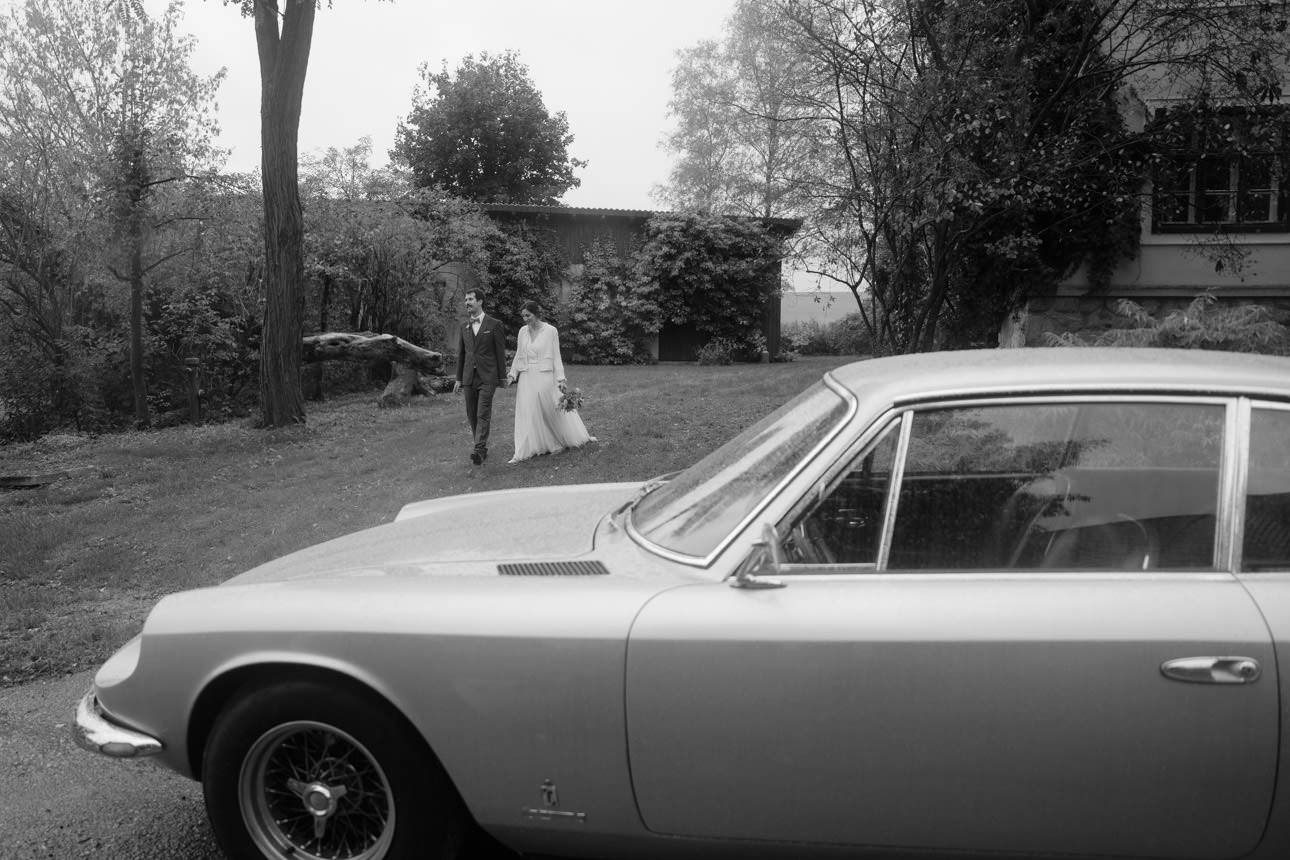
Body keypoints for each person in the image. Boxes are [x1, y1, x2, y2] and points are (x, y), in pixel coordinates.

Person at [505, 300, 595, 464]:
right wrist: (512, 374)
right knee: (528, 411)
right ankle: (524, 450)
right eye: (523, 316)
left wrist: (561, 378)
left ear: (536, 314)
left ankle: (565, 439)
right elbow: (519, 354)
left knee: (549, 409)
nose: (525, 319)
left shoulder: (550, 331)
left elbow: (556, 355)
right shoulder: (522, 332)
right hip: (526, 375)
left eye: (528, 315)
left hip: (545, 374)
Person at [453, 288, 508, 465]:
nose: (467, 303)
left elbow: (499, 352)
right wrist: (459, 378)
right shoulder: (464, 326)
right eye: (466, 300)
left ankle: (478, 450)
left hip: (488, 376)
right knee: (471, 414)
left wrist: (502, 377)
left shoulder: (494, 324)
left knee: (482, 412)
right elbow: (462, 354)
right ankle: (481, 448)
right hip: (469, 377)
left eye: (470, 299)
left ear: (480, 301)